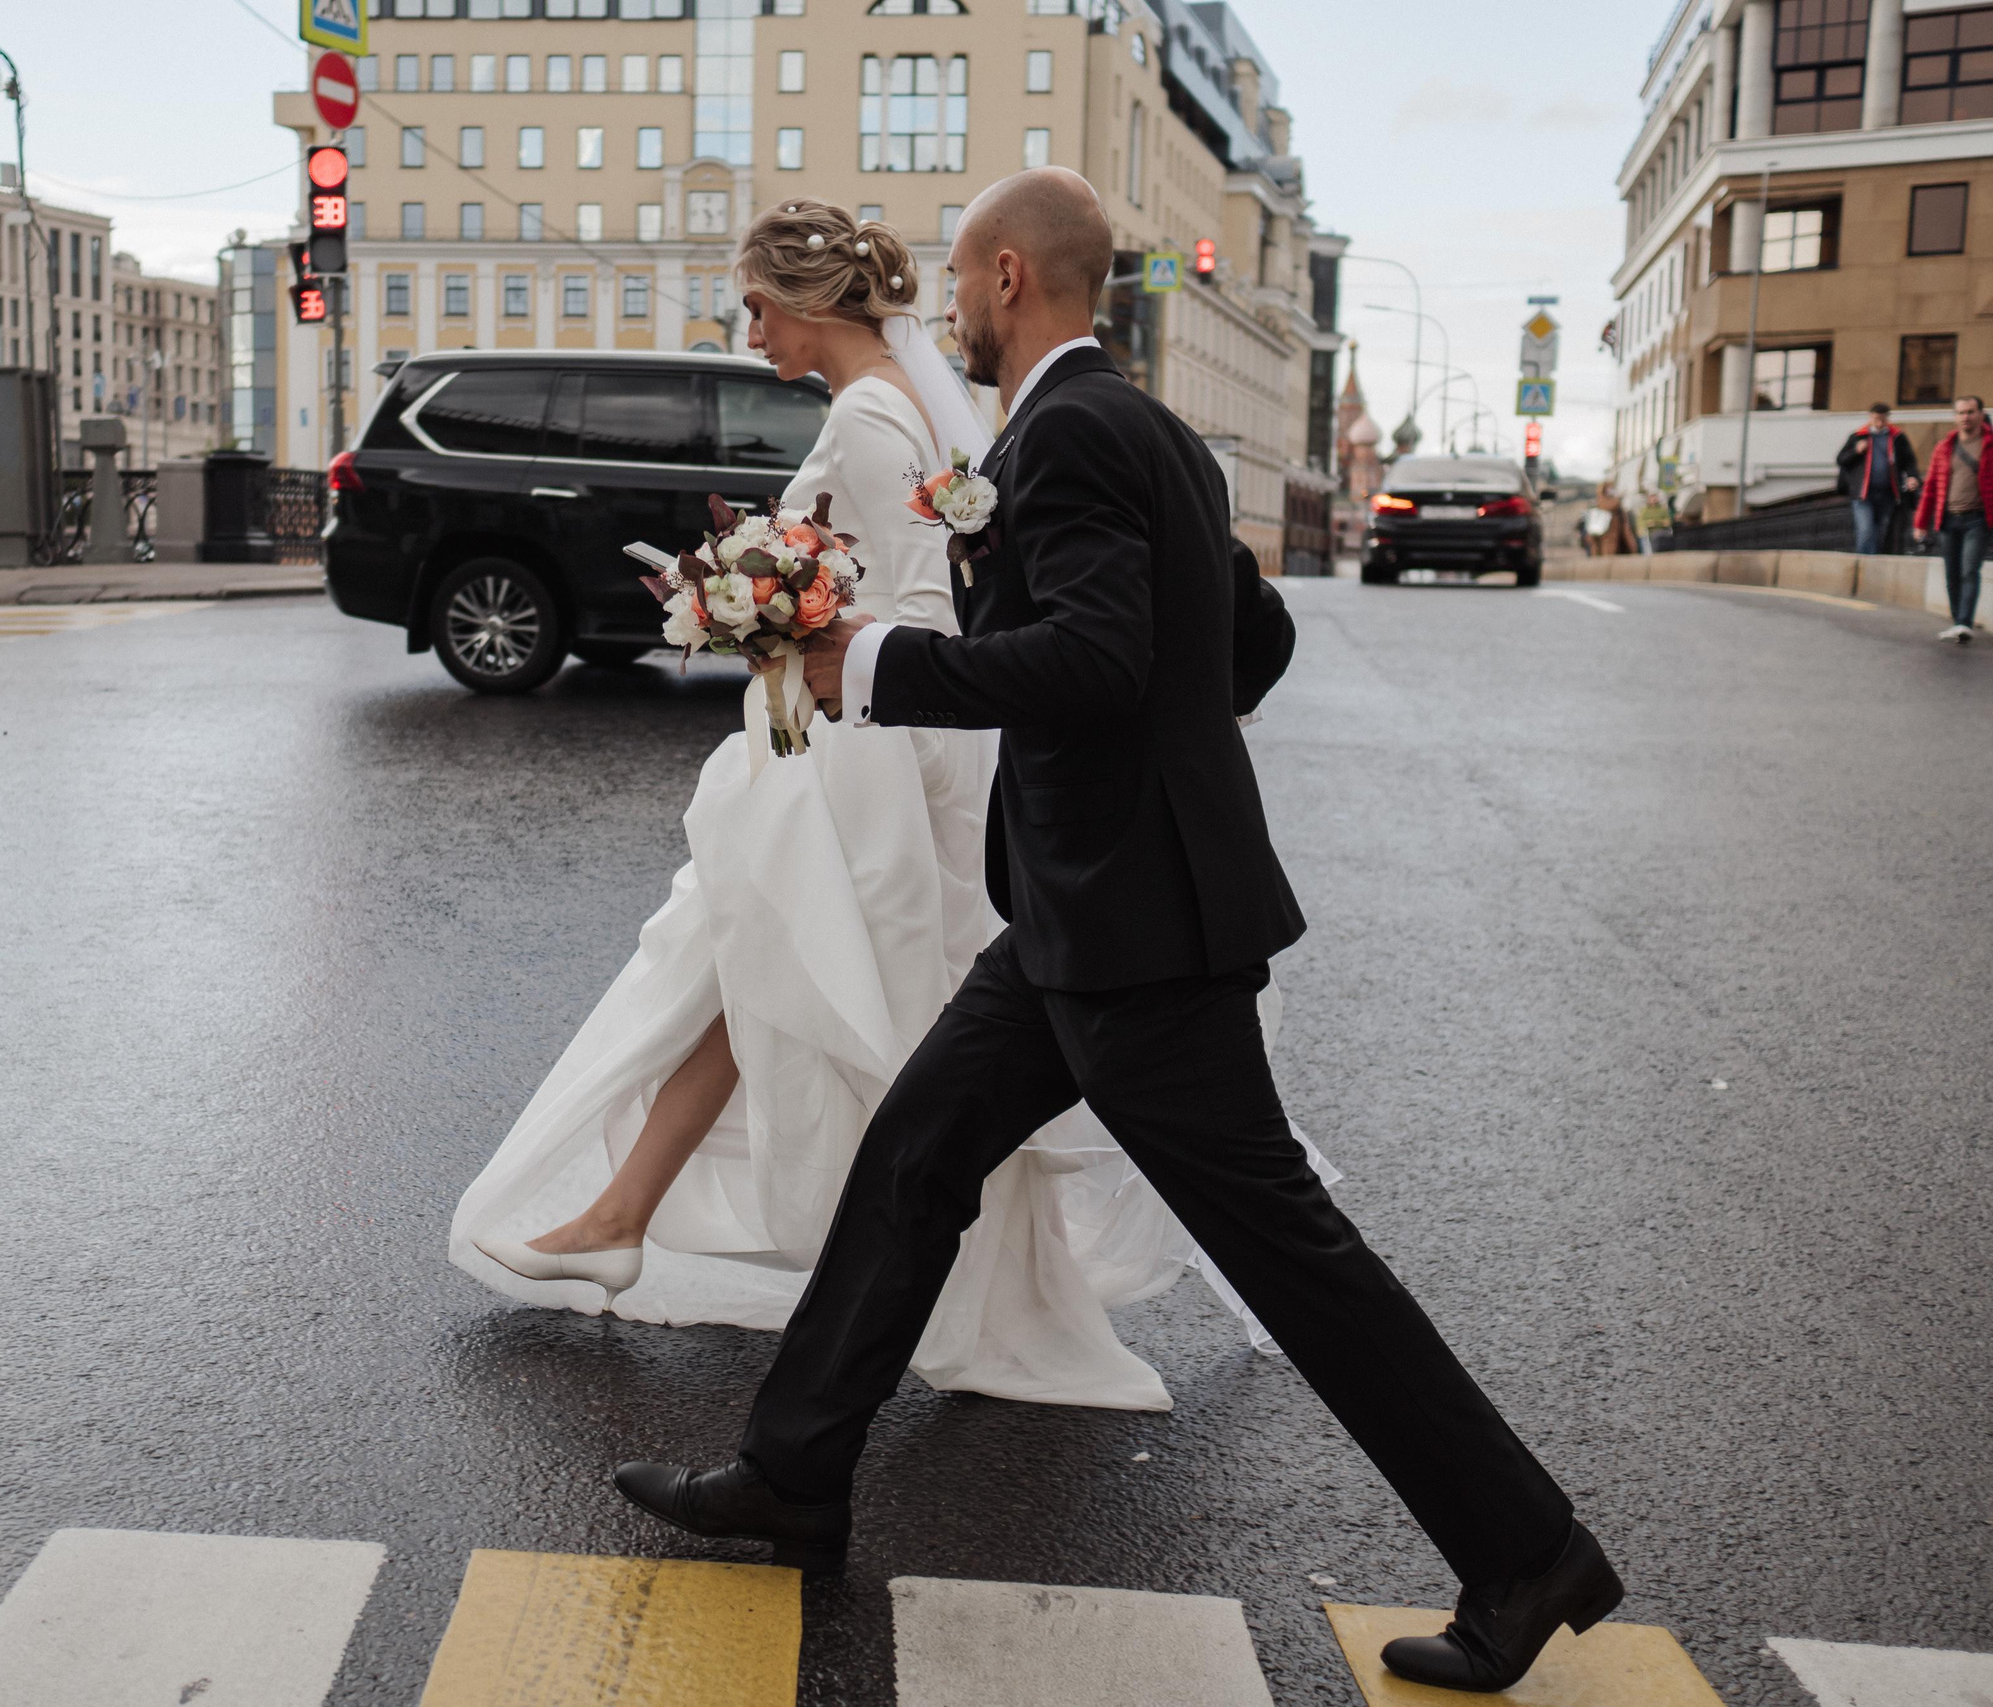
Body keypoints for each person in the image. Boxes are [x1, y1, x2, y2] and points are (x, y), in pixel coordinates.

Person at [610, 169, 1624, 1698]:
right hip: (1088, 905)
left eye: (960, 277)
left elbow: (1089, 653)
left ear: (1011, 276)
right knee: (919, 1150)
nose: (946, 304)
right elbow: (1246, 636)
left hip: (1133, 930)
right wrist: (1163, 738)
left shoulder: (1073, 433)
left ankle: (1526, 1546)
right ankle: (794, 1473)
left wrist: (861, 657)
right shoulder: (1146, 430)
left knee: (1289, 1247)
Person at [451, 199, 1322, 1413]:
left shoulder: (885, 415)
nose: (748, 329)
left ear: (811, 300)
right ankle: (656, 1252)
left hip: (863, 752)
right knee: (771, 988)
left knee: (814, 997)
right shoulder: (967, 416)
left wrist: (786, 628)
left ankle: (726, 1261)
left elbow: (936, 608)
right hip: (879, 738)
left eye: (755, 305)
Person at [1915, 393, 1987, 643]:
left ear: (1980, 414)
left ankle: (1964, 622)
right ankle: (1958, 623)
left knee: (1969, 570)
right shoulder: (1945, 447)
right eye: (1960, 413)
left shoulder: (1990, 444)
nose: (1965, 417)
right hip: (1948, 520)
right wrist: (1920, 523)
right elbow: (1931, 487)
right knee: (1951, 574)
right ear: (1954, 417)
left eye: (1970, 412)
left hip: (1977, 519)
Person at [1836, 403, 1920, 556]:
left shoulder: (1897, 437)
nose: (1880, 423)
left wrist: (1912, 477)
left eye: (1882, 419)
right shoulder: (1858, 436)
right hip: (1863, 494)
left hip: (1887, 494)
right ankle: (1865, 564)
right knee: (1865, 530)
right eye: (1876, 419)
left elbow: (1909, 461)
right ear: (1870, 418)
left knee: (1881, 531)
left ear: (1887, 418)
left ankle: (1874, 563)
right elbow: (1841, 459)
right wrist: (1856, 450)